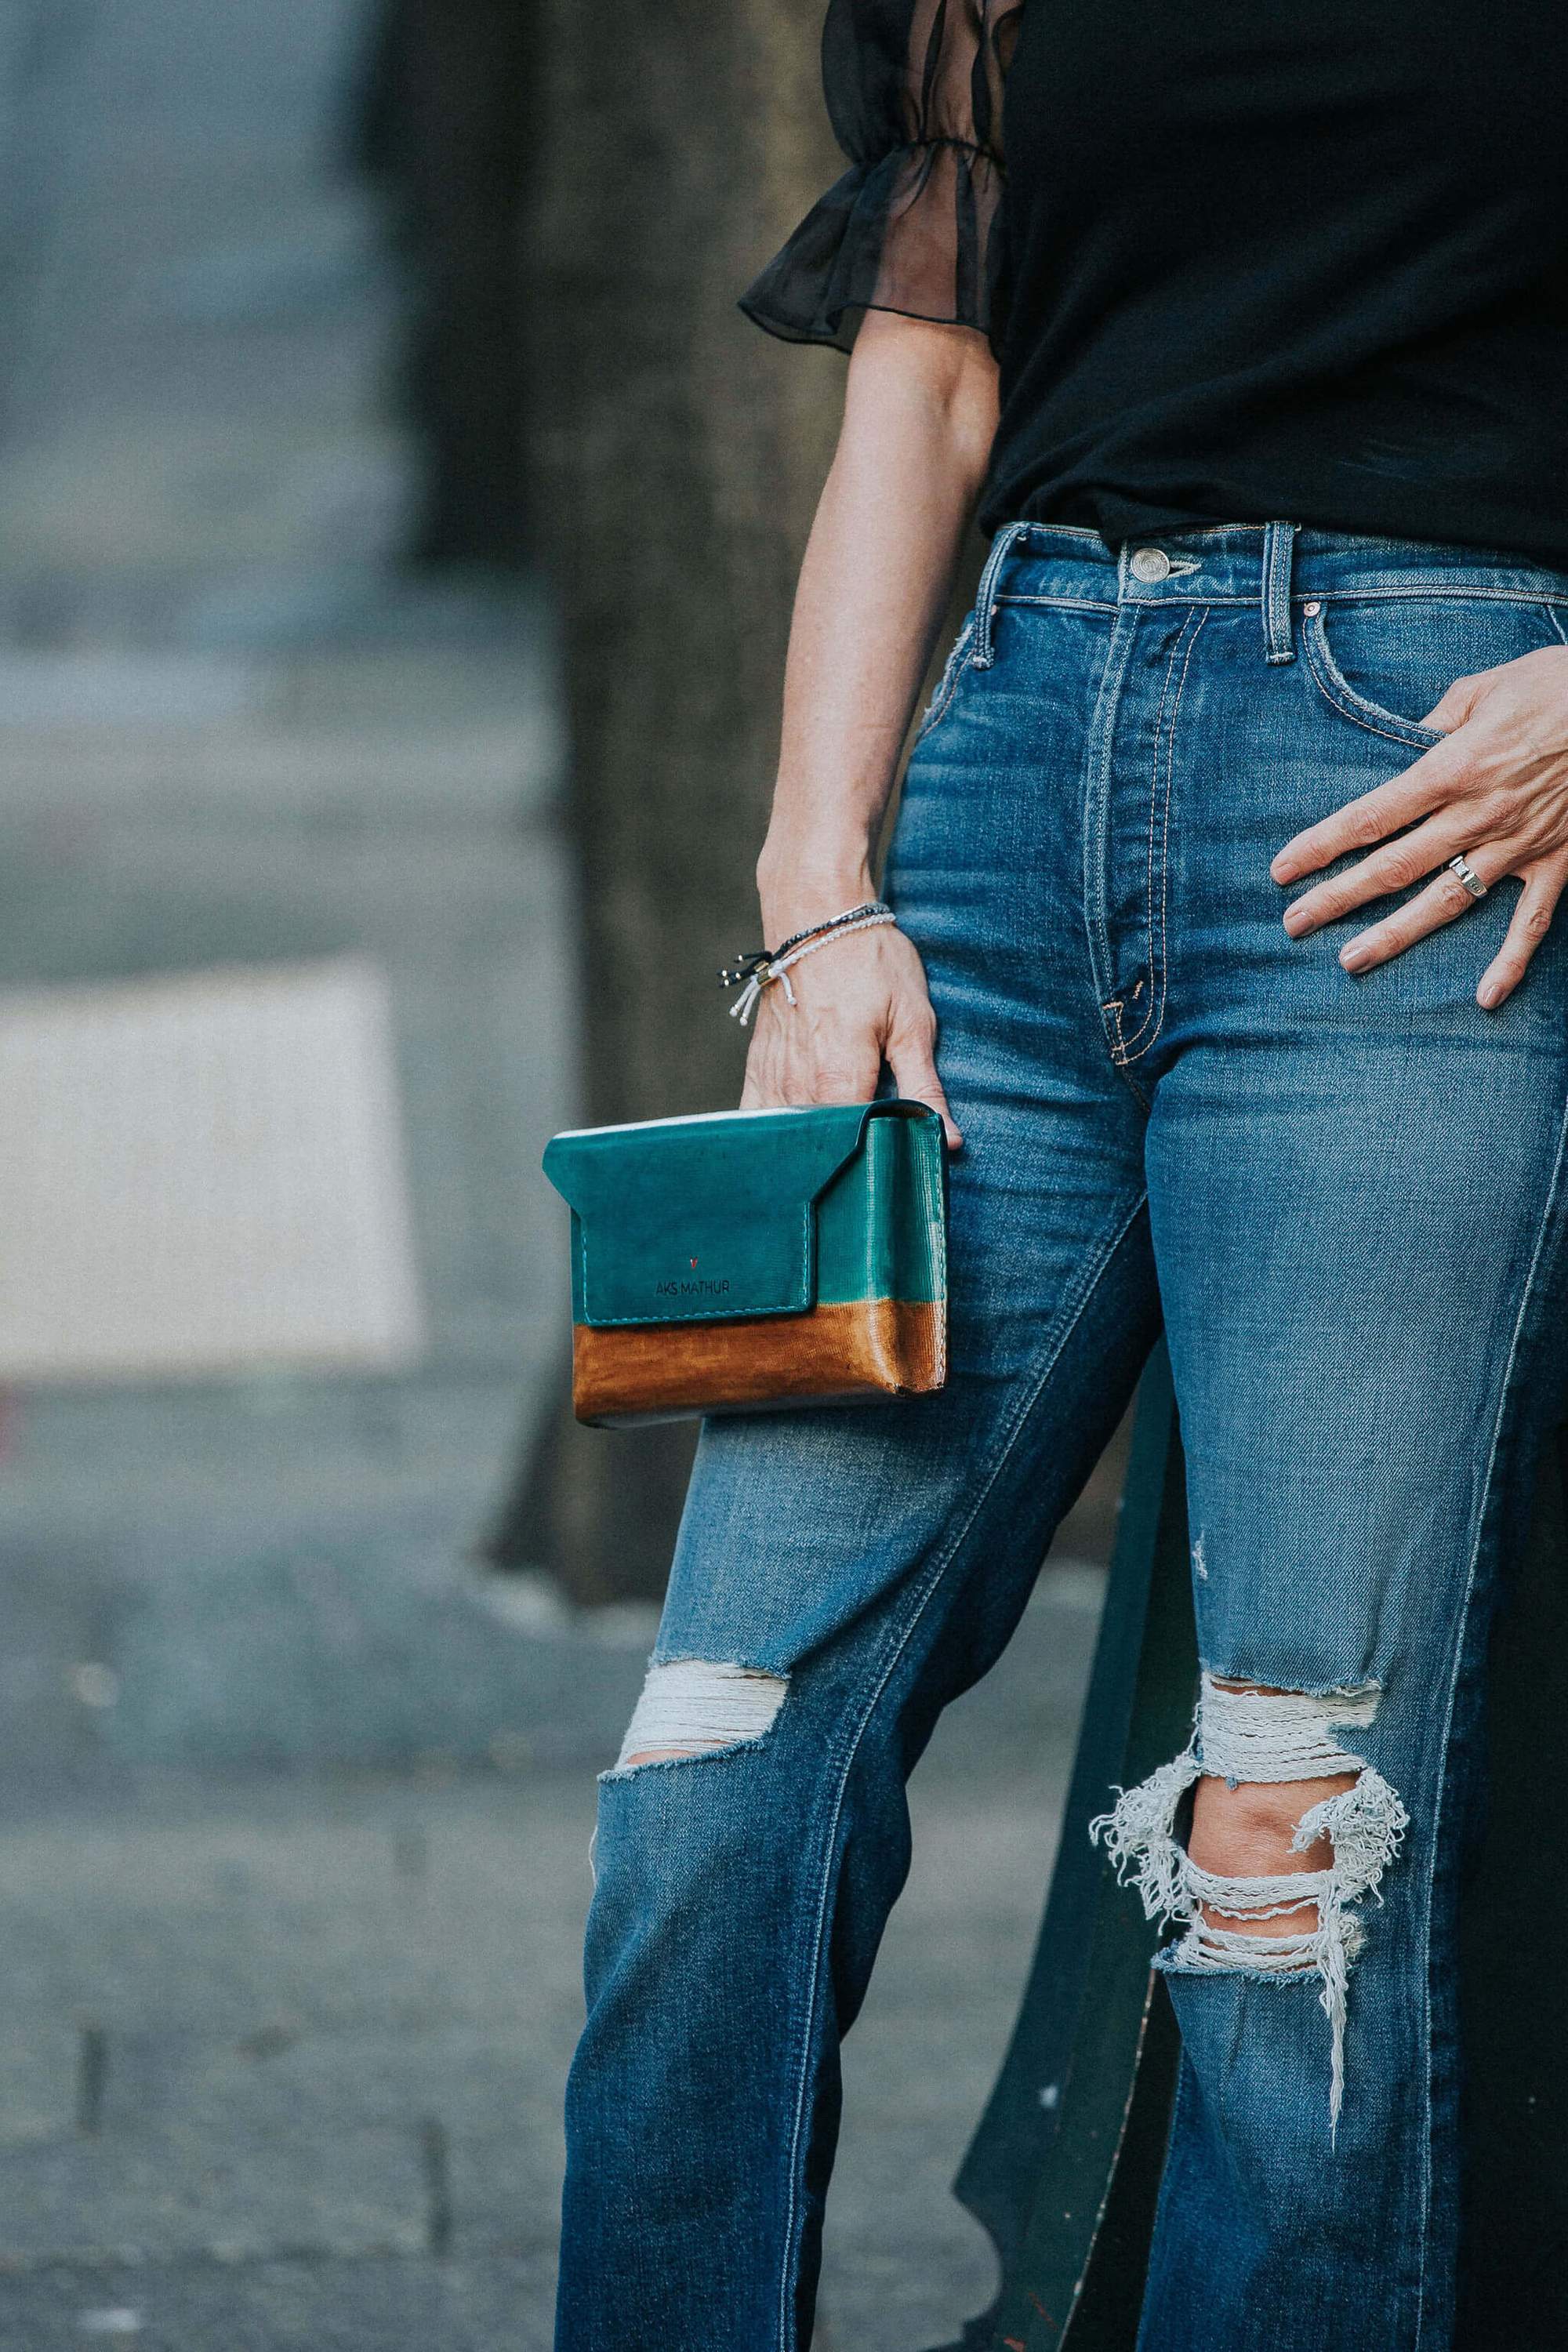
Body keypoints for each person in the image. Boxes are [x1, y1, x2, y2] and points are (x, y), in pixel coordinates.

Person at [554, 4, 1568, 2345]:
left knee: (1292, 1847)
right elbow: (924, 378)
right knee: (715, 1761)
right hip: (1005, 795)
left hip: (1403, 839)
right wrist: (816, 893)